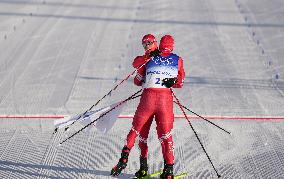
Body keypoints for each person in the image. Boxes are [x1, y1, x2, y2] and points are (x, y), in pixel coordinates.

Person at [111, 34, 185, 179]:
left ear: (157, 43)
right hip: (165, 101)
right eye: (144, 43)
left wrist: (146, 76)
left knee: (137, 132)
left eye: (149, 43)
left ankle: (128, 162)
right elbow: (180, 82)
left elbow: (137, 80)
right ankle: (168, 171)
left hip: (147, 100)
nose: (146, 45)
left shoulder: (149, 57)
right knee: (165, 135)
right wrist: (171, 82)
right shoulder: (178, 59)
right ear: (172, 46)